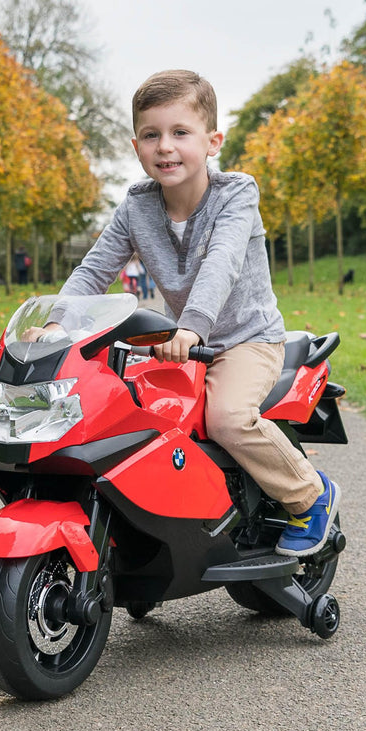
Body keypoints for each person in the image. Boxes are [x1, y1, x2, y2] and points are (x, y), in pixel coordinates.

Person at [29, 69, 339, 556]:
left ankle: (309, 496)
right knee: (129, 415)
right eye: (151, 135)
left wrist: (192, 326)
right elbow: (93, 272)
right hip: (186, 343)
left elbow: (222, 265)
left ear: (213, 140)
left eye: (180, 133)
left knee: (228, 420)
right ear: (136, 146)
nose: (165, 147)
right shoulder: (136, 208)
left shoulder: (237, 195)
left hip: (246, 340)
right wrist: (56, 325)